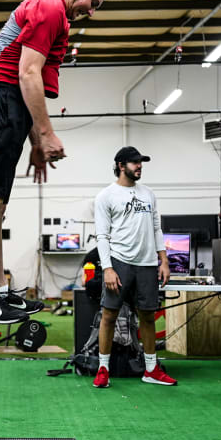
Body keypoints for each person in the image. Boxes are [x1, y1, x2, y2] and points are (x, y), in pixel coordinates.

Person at [0, 0, 109, 324]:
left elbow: (26, 85)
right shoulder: (49, 6)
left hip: (6, 102)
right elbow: (26, 73)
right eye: (94, 3)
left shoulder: (58, 16)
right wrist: (47, 133)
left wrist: (36, 142)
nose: (92, 11)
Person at [92, 146, 176, 389]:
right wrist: (107, 268)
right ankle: (103, 369)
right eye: (134, 162)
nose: (139, 166)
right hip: (119, 261)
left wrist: (164, 260)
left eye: (141, 162)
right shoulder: (105, 196)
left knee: (147, 316)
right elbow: (102, 236)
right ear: (121, 165)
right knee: (109, 316)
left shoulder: (148, 194)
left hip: (147, 264)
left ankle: (151, 370)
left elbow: (157, 228)